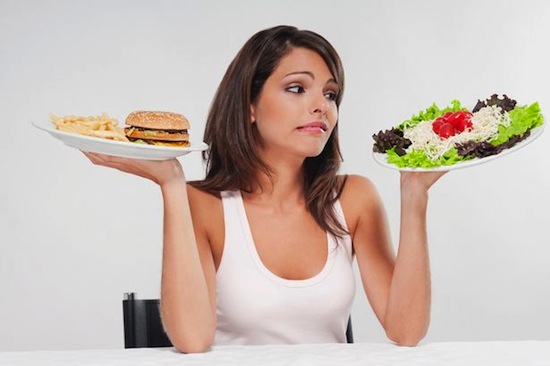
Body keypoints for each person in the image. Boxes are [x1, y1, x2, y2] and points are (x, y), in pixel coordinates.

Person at [84, 25, 445, 353]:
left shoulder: (354, 198)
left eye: (331, 94)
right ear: (249, 106)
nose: (322, 106)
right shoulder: (202, 204)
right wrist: (171, 184)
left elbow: (406, 331)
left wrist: (415, 194)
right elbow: (192, 341)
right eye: (297, 88)